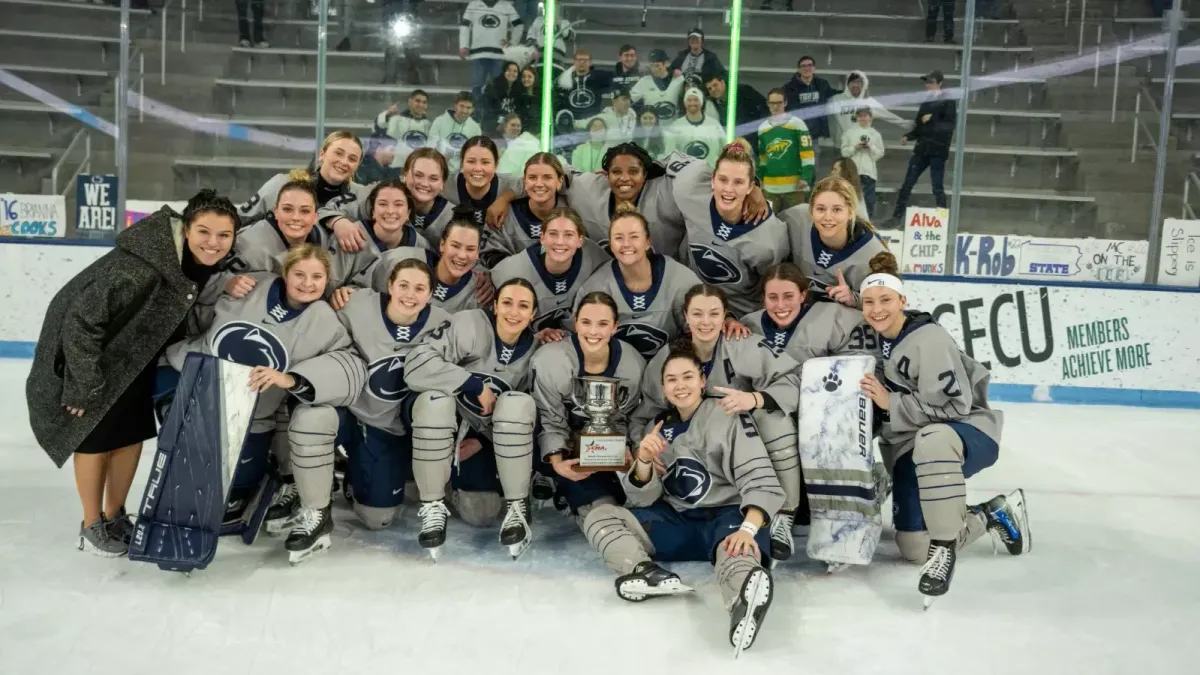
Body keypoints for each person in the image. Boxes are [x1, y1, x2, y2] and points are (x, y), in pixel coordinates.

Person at [26, 191, 239, 556]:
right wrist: (82, 382)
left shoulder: (196, 264)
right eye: (204, 232)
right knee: (95, 438)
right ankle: (91, 525)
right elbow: (82, 319)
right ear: (186, 230)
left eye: (224, 235)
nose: (213, 243)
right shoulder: (141, 264)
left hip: (135, 360)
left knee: (130, 435)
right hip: (92, 360)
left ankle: (115, 515)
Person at [163, 244, 365, 565]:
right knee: (171, 409)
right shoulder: (251, 285)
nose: (307, 283)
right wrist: (222, 284)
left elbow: (348, 365)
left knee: (239, 482)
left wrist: (292, 379)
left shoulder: (325, 320)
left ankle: (266, 484)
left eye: (317, 276)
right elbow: (198, 305)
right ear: (285, 273)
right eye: (299, 274)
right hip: (201, 381)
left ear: (328, 281)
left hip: (255, 417)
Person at [580, 342, 781, 655]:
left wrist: (748, 529)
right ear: (663, 387)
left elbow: (761, 481)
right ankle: (645, 572)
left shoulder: (728, 415)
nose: (680, 385)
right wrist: (643, 460)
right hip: (680, 523)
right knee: (600, 516)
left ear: (702, 380)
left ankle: (742, 600)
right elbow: (644, 500)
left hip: (726, 518)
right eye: (672, 379)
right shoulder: (656, 428)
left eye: (687, 377)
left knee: (738, 549)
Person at [857, 252, 1028, 605]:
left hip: (966, 431)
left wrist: (892, 405)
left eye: (886, 300)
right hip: (911, 448)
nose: (877, 309)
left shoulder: (927, 339)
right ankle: (992, 514)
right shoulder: (875, 340)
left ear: (903, 301)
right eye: (869, 302)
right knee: (913, 547)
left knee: (931, 439)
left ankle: (945, 547)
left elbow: (955, 406)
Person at [631, 283, 802, 560]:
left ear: (726, 316)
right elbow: (643, 413)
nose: (706, 322)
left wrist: (756, 399)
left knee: (774, 420)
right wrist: (642, 448)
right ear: (685, 317)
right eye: (697, 314)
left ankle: (783, 513)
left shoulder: (742, 343)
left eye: (714, 314)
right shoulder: (668, 357)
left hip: (743, 441)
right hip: (698, 446)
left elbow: (794, 379)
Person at [405, 279, 541, 560]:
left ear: (533, 314)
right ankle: (432, 502)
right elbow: (416, 364)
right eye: (507, 303)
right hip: (440, 420)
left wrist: (480, 441)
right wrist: (472, 384)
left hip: (478, 436)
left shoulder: (538, 352)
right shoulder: (469, 324)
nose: (513, 312)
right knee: (435, 403)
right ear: (494, 305)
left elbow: (530, 420)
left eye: (523, 306)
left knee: (481, 513)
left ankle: (514, 505)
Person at [339, 258, 453, 531]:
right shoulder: (357, 303)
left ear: (430, 293)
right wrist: (336, 293)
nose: (410, 295)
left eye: (419, 288)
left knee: (435, 400)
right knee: (377, 518)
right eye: (403, 285)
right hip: (365, 416)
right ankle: (355, 465)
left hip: (408, 420)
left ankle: (416, 474)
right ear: (390, 285)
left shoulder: (444, 322)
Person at [531, 291, 644, 519]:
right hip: (556, 440)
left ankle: (571, 492)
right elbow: (549, 417)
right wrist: (557, 463)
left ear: (614, 327)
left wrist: (621, 448)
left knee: (613, 501)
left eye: (603, 324)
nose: (593, 332)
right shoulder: (551, 359)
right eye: (586, 322)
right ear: (576, 324)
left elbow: (625, 417)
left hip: (597, 448)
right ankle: (547, 474)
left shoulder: (632, 364)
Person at [674, 143, 788, 317]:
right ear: (712, 179)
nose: (728, 189)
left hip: (741, 316)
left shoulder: (770, 238)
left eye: (739, 182)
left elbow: (774, 292)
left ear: (751, 187)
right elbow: (664, 162)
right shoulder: (689, 188)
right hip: (691, 302)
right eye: (723, 179)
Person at [574, 206, 702, 360]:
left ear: (648, 242)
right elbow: (582, 337)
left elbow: (703, 328)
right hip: (617, 367)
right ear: (611, 244)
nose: (626, 244)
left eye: (634, 236)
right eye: (619, 238)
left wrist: (727, 318)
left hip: (668, 366)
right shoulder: (596, 287)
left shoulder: (680, 279)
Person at [491, 207, 609, 339]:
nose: (560, 242)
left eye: (569, 235)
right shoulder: (510, 271)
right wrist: (532, 338)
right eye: (553, 234)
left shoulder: (595, 257)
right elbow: (498, 327)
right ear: (542, 238)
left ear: (580, 240)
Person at [743, 263, 876, 368]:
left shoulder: (834, 317)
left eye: (788, 296)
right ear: (764, 299)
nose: (781, 305)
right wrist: (730, 320)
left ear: (802, 295)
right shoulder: (748, 325)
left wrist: (856, 300)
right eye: (772, 297)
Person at [562, 143, 685, 255]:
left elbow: (695, 170)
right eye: (616, 172)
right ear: (606, 174)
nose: (624, 178)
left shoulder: (665, 195)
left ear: (645, 174)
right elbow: (556, 172)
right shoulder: (588, 190)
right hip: (607, 277)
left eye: (633, 172)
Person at [781, 175, 887, 306]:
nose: (828, 217)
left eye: (837, 209)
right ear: (811, 210)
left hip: (840, 323)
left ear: (850, 212)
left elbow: (888, 306)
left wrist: (854, 299)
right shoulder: (795, 219)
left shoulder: (874, 255)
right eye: (820, 209)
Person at [237, 131, 368, 233]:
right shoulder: (281, 184)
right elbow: (239, 221)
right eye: (338, 153)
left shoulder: (361, 198)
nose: (344, 162)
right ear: (322, 154)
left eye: (352, 159)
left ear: (357, 165)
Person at [330, 179, 431, 310]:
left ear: (408, 213)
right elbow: (329, 284)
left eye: (398, 204)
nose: (390, 211)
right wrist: (334, 295)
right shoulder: (350, 235)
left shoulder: (422, 248)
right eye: (383, 204)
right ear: (373, 211)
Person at [368, 214, 492, 313]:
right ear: (442, 245)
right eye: (455, 246)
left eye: (470, 249)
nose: (461, 255)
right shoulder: (399, 260)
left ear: (477, 253)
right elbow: (360, 284)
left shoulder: (480, 293)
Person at [888, 70, 956, 227]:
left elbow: (949, 126)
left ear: (939, 83)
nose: (928, 85)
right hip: (923, 148)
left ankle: (943, 220)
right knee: (908, 183)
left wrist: (931, 120)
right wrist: (909, 136)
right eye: (927, 82)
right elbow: (920, 126)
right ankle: (897, 216)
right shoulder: (926, 102)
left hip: (937, 149)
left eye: (931, 82)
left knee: (937, 186)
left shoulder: (948, 101)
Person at [481, 152, 567, 266]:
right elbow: (487, 255)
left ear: (559, 182)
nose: (539, 184)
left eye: (547, 177)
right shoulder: (504, 215)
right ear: (525, 182)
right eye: (532, 178)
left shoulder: (573, 212)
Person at [442, 135, 522, 229]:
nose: (478, 168)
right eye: (471, 161)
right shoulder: (445, 185)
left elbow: (531, 183)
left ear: (496, 165)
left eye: (485, 162)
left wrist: (505, 198)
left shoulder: (507, 184)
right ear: (462, 164)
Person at [758, 87, 815, 213]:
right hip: (770, 188)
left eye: (779, 103)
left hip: (795, 187)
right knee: (769, 224)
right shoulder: (762, 128)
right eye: (772, 103)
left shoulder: (797, 124)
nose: (775, 106)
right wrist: (760, 179)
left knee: (795, 225)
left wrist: (805, 177)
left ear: (785, 103)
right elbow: (762, 158)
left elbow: (808, 154)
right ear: (767, 104)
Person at [459, 0, 524, 106]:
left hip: (499, 54)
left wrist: (512, 43)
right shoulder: (474, 4)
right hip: (478, 54)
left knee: (500, 86)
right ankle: (478, 114)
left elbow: (518, 24)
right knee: (477, 87)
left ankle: (497, 113)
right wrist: (463, 46)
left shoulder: (506, 6)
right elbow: (465, 25)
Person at [782, 56, 839, 173]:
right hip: (795, 134)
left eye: (810, 65)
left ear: (814, 68)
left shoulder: (822, 84)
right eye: (803, 66)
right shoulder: (788, 88)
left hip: (813, 136)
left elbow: (834, 95)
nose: (807, 68)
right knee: (795, 166)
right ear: (798, 69)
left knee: (812, 168)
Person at [827, 71, 907, 145]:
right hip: (841, 146)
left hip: (862, 146)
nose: (855, 85)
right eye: (852, 82)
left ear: (864, 85)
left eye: (859, 82)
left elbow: (889, 116)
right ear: (847, 84)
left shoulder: (869, 102)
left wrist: (910, 125)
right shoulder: (835, 100)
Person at [703, 71, 769, 153]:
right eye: (709, 88)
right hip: (732, 146)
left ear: (722, 82)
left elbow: (764, 107)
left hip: (753, 140)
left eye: (715, 85)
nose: (713, 89)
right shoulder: (711, 105)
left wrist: (762, 129)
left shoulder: (744, 91)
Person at [555, 49, 615, 132]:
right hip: (571, 123)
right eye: (579, 60)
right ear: (574, 62)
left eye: (585, 60)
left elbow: (617, 80)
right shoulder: (564, 79)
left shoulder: (599, 77)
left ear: (590, 62)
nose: (582, 62)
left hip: (592, 123)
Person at [839, 110, 884, 219]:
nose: (863, 118)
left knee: (869, 201)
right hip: (852, 171)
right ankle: (849, 222)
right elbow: (844, 152)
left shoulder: (875, 134)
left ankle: (867, 225)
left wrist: (871, 147)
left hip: (869, 172)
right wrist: (855, 147)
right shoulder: (849, 133)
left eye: (865, 116)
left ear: (870, 118)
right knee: (850, 199)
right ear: (856, 118)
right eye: (860, 116)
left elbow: (879, 154)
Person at [664, 88, 725, 167]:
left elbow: (724, 149)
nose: (692, 103)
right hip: (685, 174)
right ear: (685, 103)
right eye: (689, 100)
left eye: (696, 100)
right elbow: (669, 153)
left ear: (701, 102)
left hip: (710, 173)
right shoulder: (676, 126)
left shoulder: (714, 125)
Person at [374, 90, 431, 172]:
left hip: (419, 168)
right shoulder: (397, 120)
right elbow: (380, 126)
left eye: (424, 102)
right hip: (398, 167)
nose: (421, 105)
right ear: (410, 102)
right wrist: (388, 113)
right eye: (417, 101)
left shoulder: (429, 124)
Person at [430, 92, 484, 175]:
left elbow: (475, 153)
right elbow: (431, 146)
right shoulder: (439, 121)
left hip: (463, 173)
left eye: (468, 107)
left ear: (473, 109)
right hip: (438, 169)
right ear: (455, 105)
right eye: (461, 106)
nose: (464, 111)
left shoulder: (475, 128)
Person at [631, 49, 685, 123]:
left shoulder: (679, 80)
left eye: (657, 65)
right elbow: (629, 99)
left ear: (666, 63)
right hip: (652, 130)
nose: (654, 69)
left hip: (674, 128)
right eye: (651, 66)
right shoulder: (644, 81)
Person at [482, 61, 528, 132]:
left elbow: (521, 110)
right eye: (509, 70)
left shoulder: (521, 89)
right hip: (495, 121)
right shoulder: (493, 87)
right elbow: (490, 109)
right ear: (503, 71)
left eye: (515, 71)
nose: (512, 73)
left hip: (513, 123)